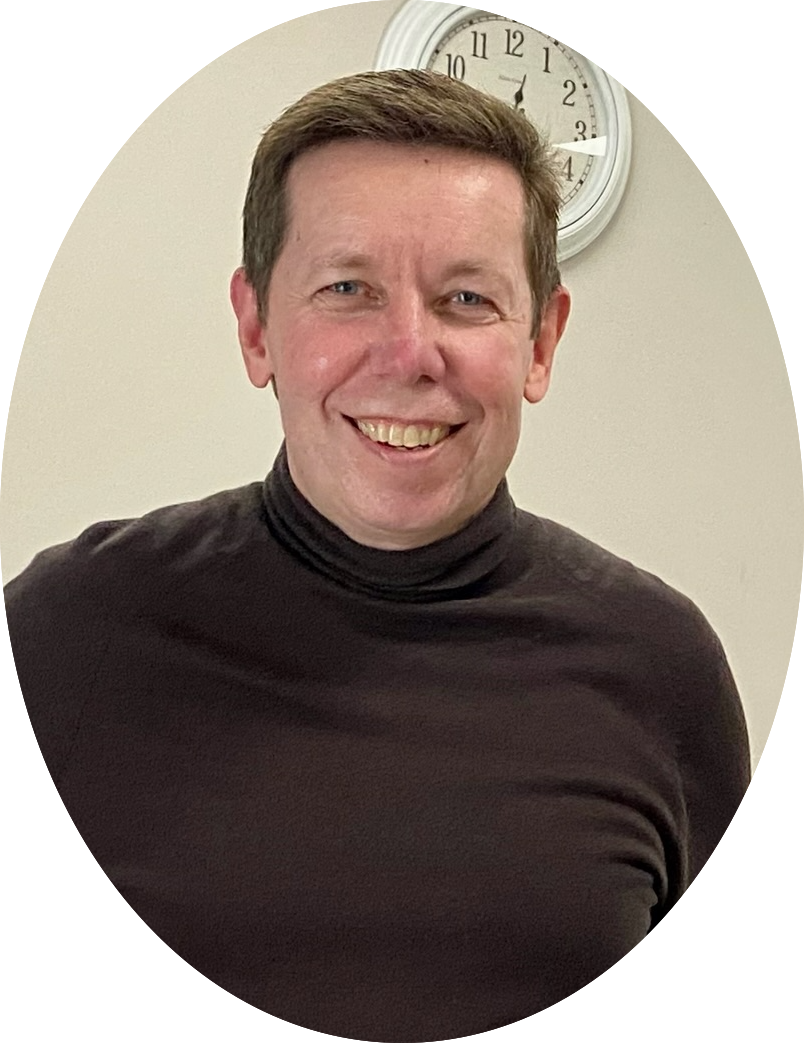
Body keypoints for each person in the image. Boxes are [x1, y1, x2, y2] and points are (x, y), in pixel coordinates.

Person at [4, 69, 750, 1042]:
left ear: (541, 342)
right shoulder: (65, 635)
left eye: (467, 297)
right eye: (348, 289)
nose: (409, 353)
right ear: (256, 326)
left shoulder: (664, 672)